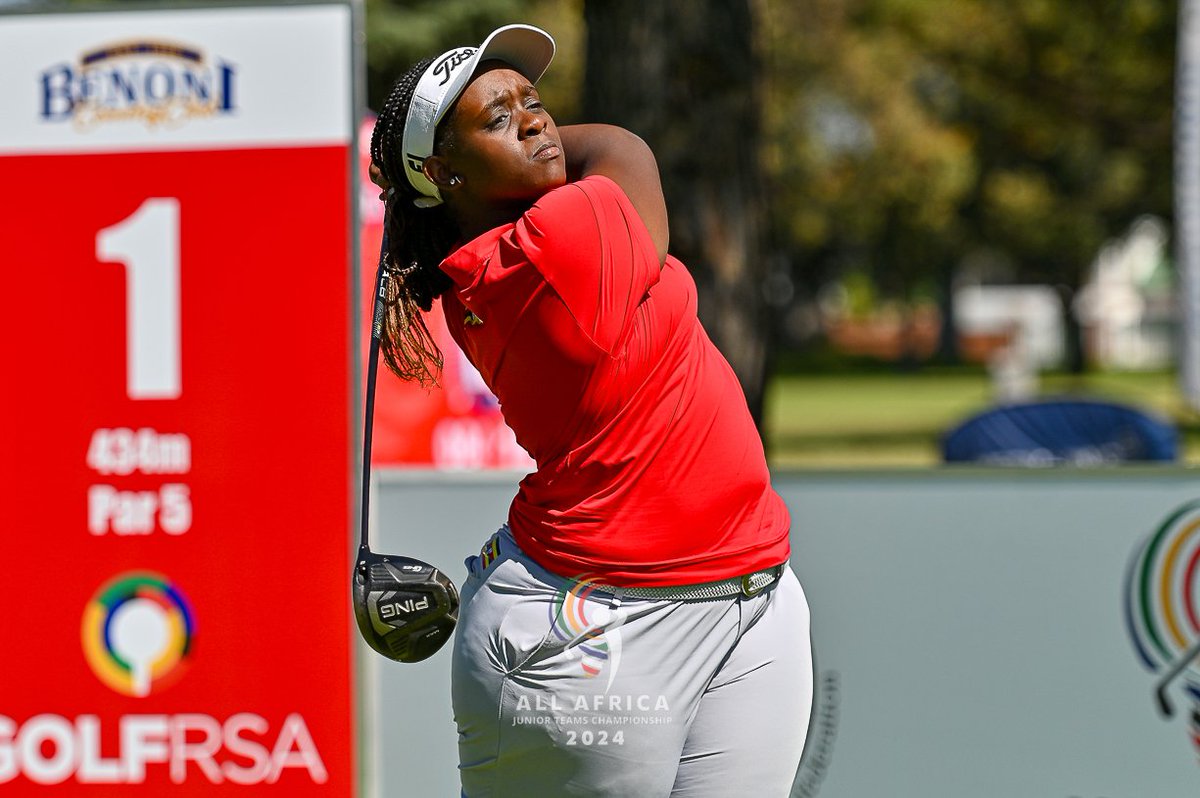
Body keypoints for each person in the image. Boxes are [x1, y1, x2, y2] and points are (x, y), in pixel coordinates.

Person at [369, 23, 813, 798]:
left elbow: (597, 157)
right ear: (445, 171)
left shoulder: (492, 257)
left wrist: (452, 172)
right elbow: (623, 146)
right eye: (497, 120)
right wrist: (453, 173)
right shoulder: (555, 242)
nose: (535, 123)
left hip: (751, 597)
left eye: (533, 103)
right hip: (592, 635)